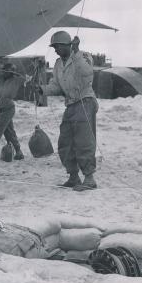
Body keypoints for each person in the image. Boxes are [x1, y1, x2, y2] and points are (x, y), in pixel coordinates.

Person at [39, 31, 99, 192]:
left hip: (85, 101)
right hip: (71, 105)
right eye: (54, 47)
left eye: (57, 46)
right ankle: (73, 176)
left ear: (67, 45)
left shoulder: (83, 56)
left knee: (84, 141)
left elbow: (87, 72)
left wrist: (77, 52)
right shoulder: (59, 64)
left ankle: (89, 178)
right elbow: (56, 86)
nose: (55, 50)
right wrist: (41, 90)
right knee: (65, 142)